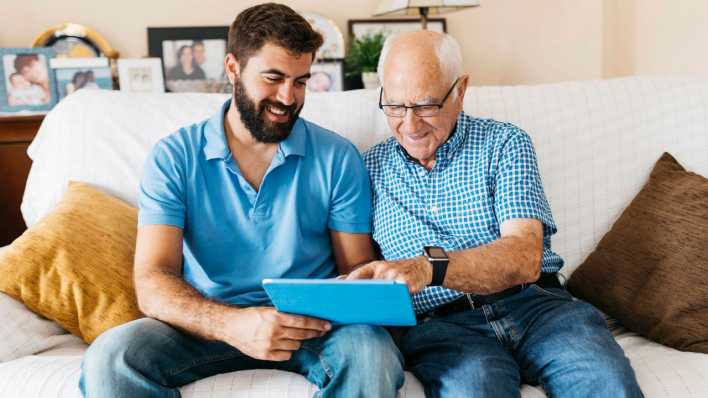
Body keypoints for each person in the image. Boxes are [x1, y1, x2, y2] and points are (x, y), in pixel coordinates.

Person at [79, 3, 403, 398]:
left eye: (301, 81)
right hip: (206, 324)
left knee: (373, 354)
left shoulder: (338, 157)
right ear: (233, 68)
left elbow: (356, 271)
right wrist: (231, 325)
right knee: (110, 358)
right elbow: (152, 281)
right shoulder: (175, 156)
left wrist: (367, 288)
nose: (289, 97)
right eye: (273, 78)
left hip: (313, 326)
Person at [352, 31, 644, 398]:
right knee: (474, 390)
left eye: (426, 105)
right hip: (443, 330)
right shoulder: (367, 169)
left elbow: (524, 256)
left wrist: (429, 268)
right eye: (395, 105)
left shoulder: (504, 144)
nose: (410, 126)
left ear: (460, 90)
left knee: (605, 385)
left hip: (537, 308)